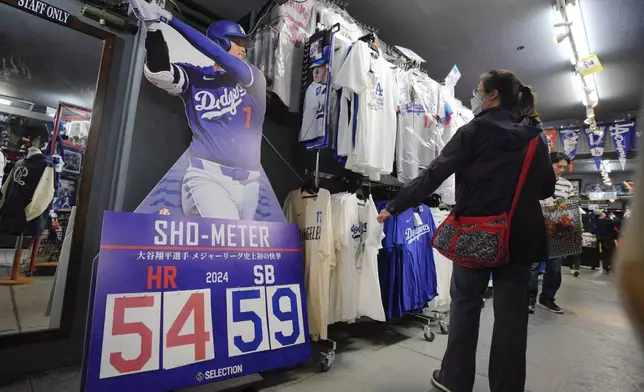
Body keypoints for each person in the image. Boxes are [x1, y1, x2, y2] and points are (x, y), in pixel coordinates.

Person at [377, 69, 556, 392]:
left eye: (477, 90)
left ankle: (455, 380)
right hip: (520, 238)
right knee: (512, 319)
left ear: (492, 95)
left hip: (476, 232)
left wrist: (395, 205)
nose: (474, 95)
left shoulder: (473, 131)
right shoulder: (536, 137)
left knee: (465, 307)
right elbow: (545, 189)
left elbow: (435, 174)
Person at [129, 0, 267, 220]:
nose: (244, 48)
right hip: (208, 176)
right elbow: (160, 73)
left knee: (236, 250)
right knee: (227, 241)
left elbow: (221, 57)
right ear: (220, 42)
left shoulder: (254, 78)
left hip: (250, 183)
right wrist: (153, 28)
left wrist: (169, 18)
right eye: (237, 42)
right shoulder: (196, 76)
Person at [529, 152, 575, 314]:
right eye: (558, 166)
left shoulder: (567, 185)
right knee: (532, 265)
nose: (562, 170)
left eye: (564, 167)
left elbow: (571, 207)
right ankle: (529, 299)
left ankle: (547, 298)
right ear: (549, 164)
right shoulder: (534, 180)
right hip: (535, 228)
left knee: (554, 267)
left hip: (558, 229)